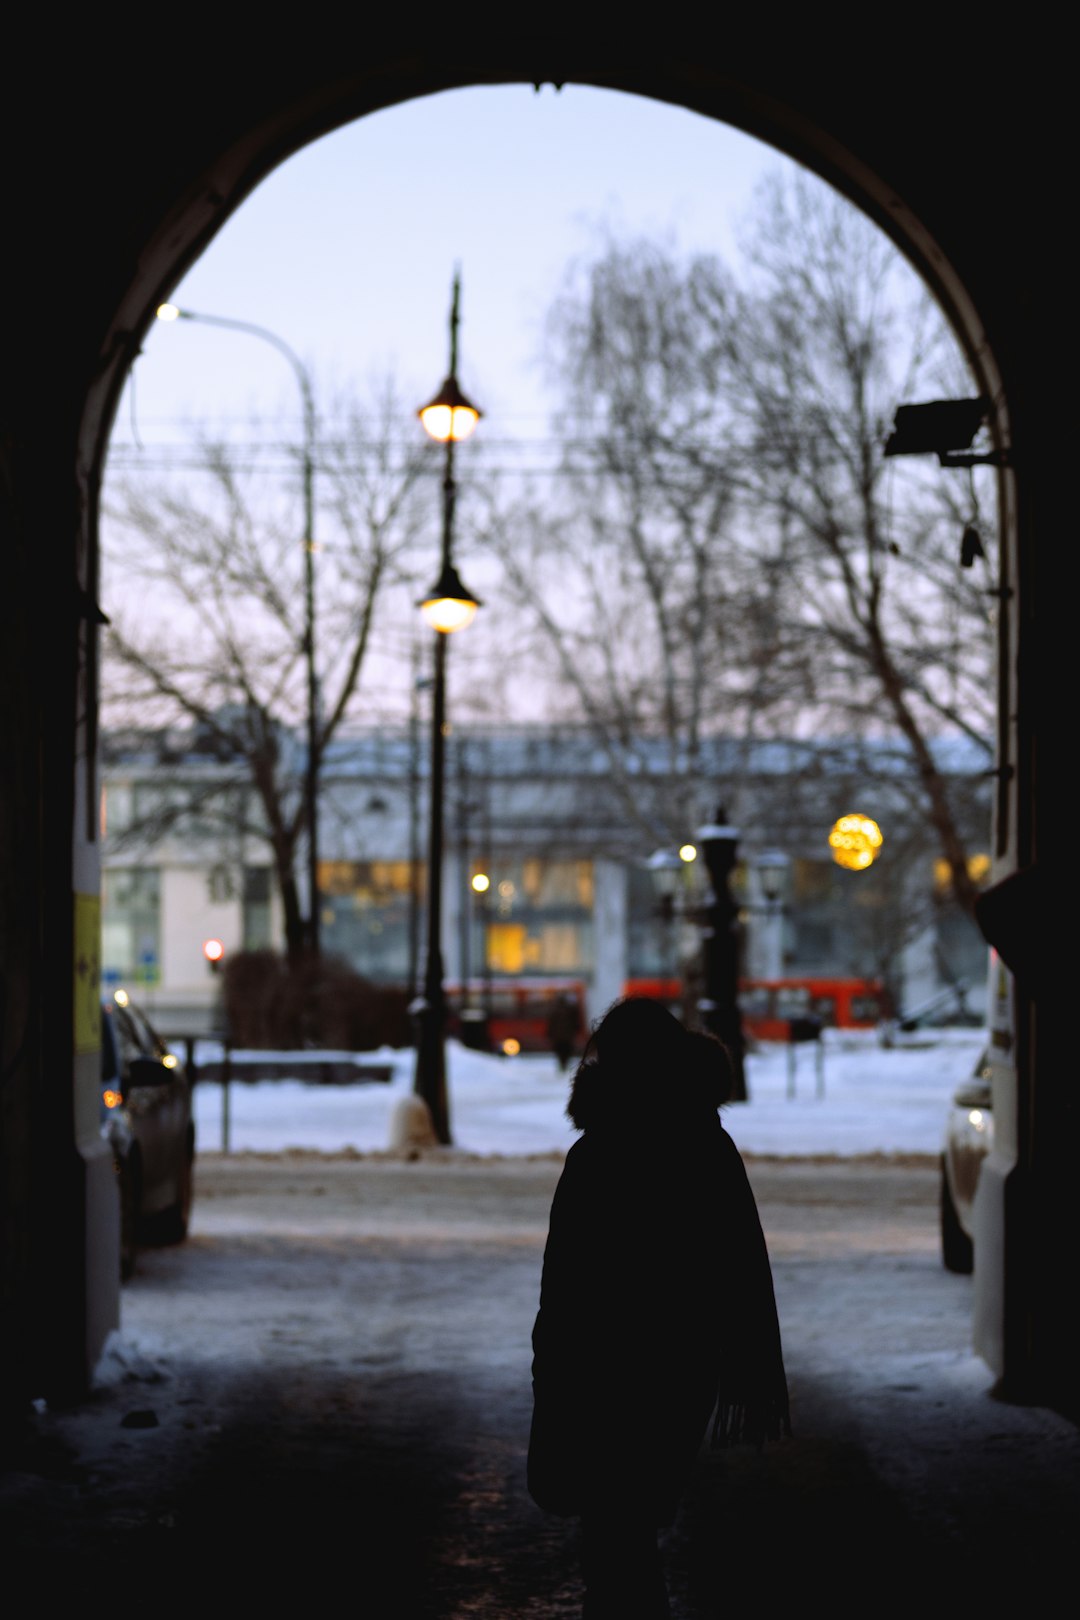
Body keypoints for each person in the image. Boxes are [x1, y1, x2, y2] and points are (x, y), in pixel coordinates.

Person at [527, 996, 790, 1618]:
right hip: (683, 1364)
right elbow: (738, 1261)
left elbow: (565, 1280)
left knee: (613, 1536)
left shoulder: (596, 1156)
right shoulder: (707, 1146)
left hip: (603, 1369)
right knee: (636, 1521)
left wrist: (551, 1366)